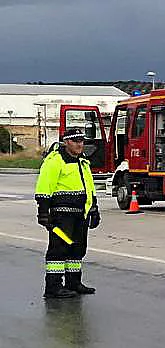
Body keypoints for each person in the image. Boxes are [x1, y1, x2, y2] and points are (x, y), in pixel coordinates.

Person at [35, 128, 100, 300]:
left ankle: (73, 282)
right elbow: (45, 185)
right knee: (59, 249)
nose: (80, 144)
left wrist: (94, 209)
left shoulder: (82, 162)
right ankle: (53, 287)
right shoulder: (55, 161)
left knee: (77, 248)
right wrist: (43, 212)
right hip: (61, 215)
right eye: (76, 140)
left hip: (80, 214)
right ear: (66, 142)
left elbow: (89, 187)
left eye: (82, 141)